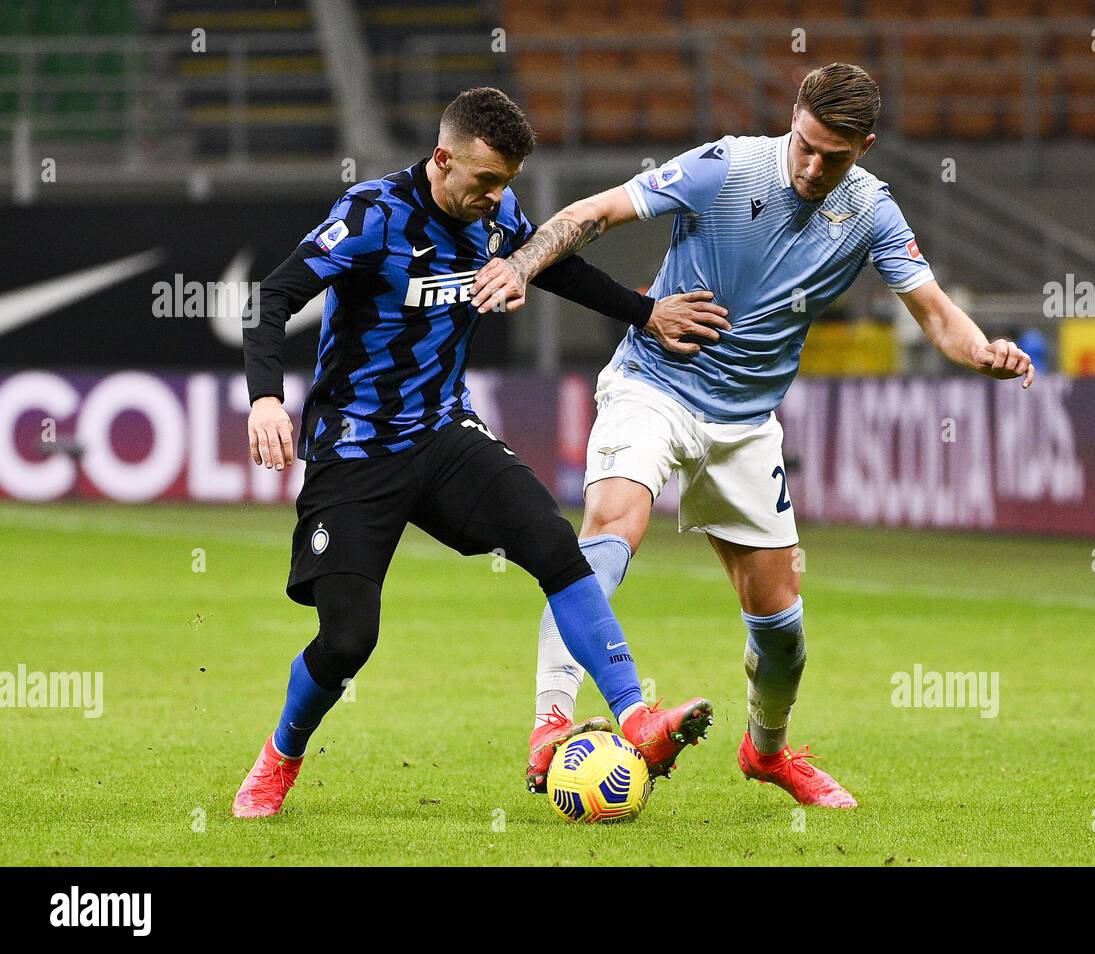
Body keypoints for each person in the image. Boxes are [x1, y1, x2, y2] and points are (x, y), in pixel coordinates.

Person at [471, 63, 1036, 808]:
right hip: (653, 387)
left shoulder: (872, 213)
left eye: (831, 156)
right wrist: (519, 261)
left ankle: (766, 752)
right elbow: (599, 212)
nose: (810, 166)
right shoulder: (728, 165)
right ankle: (551, 722)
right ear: (792, 119)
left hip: (744, 426)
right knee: (606, 535)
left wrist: (982, 351)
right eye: (803, 144)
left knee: (782, 635)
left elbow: (932, 311)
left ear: (863, 148)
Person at [231, 87, 727, 817]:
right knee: (346, 642)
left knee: (554, 543)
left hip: (443, 432)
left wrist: (646, 312)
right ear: (442, 158)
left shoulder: (493, 218)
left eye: (508, 185)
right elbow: (271, 297)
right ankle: (280, 756)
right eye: (486, 182)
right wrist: (267, 397)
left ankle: (635, 715)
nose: (498, 200)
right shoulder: (373, 216)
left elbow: (556, 267)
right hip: (356, 449)